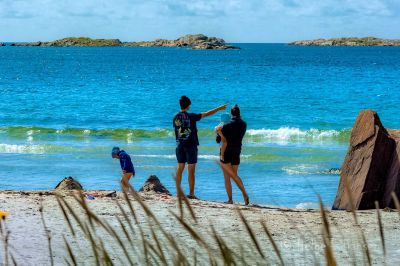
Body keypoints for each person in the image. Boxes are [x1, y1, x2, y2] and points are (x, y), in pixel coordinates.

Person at [173, 96, 227, 199]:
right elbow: (207, 113)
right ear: (188, 105)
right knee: (191, 170)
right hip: (191, 145)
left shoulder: (175, 116)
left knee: (180, 168)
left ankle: (178, 193)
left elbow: (179, 129)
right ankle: (191, 193)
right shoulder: (191, 116)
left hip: (179, 145)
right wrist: (219, 108)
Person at [216, 105, 249, 205]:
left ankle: (232, 199)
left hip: (226, 153)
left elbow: (219, 140)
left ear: (231, 113)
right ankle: (243, 194)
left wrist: (218, 132)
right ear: (239, 113)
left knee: (228, 177)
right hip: (237, 151)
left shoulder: (227, 125)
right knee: (234, 175)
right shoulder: (244, 124)